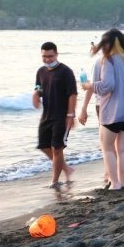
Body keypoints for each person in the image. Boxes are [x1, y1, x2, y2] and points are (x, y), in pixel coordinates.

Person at [80, 29, 124, 190]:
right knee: (122, 149)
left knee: (107, 148)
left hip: (113, 113)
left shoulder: (107, 60)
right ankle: (122, 182)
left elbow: (107, 86)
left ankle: (115, 183)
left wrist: (89, 85)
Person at [32, 41, 78, 190]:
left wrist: (70, 115)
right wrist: (35, 94)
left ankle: (55, 181)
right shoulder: (41, 71)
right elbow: (39, 88)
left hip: (62, 116)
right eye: (44, 57)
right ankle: (66, 168)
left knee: (57, 148)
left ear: (57, 54)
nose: (47, 59)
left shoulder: (66, 71)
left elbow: (72, 94)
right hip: (46, 116)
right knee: (44, 146)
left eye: (50, 56)